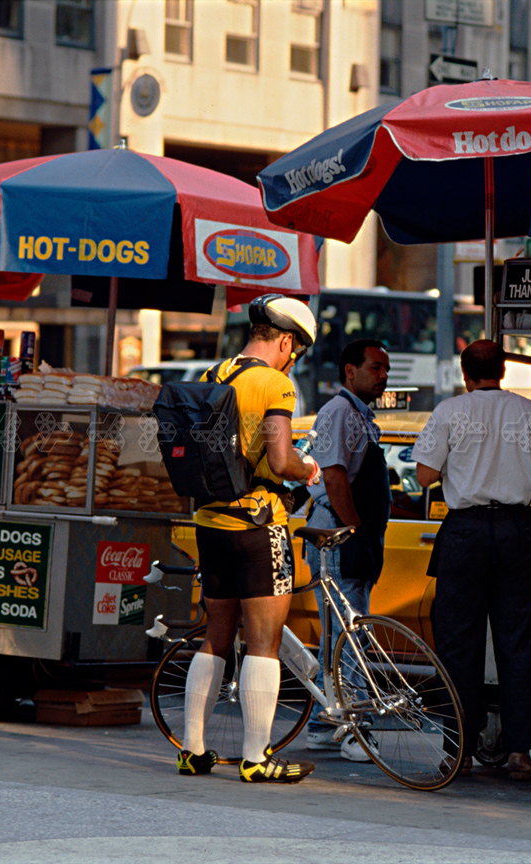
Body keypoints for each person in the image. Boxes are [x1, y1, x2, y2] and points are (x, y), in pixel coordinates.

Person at [177, 295, 323, 783]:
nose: (293, 360)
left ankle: (192, 750)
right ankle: (256, 758)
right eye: (296, 351)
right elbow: (280, 460)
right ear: (285, 341)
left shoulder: (213, 375)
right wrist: (308, 468)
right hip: (259, 528)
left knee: (215, 637)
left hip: (210, 522)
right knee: (263, 642)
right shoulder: (274, 383)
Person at [414, 340, 531, 780]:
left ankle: (459, 752)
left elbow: (424, 475)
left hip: (465, 532)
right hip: (517, 530)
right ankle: (519, 753)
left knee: (458, 646)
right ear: (504, 370)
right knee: (517, 644)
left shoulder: (449, 412)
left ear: (464, 372)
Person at [302, 339, 392, 761]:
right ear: (349, 371)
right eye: (375, 367)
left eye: (385, 369)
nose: (383, 376)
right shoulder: (339, 412)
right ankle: (354, 728)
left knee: (340, 636)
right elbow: (334, 477)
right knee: (349, 637)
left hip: (351, 536)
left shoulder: (361, 416)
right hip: (339, 538)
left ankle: (324, 723)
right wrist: (354, 530)